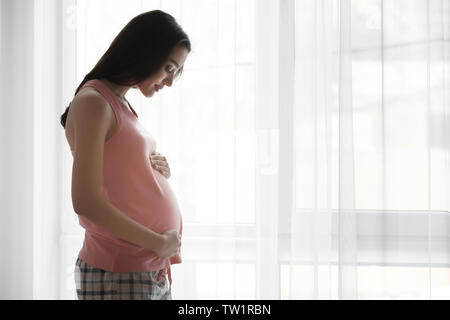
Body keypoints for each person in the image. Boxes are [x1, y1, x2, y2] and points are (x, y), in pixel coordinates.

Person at [59, 10, 191, 300]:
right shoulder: (94, 102)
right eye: (169, 68)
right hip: (119, 272)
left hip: (143, 270)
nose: (169, 81)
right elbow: (86, 202)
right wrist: (157, 242)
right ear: (146, 51)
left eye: (176, 73)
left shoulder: (120, 103)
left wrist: (156, 172)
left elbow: (118, 178)